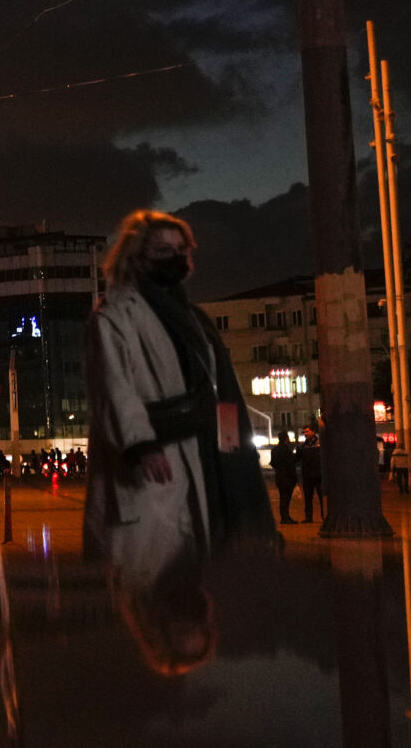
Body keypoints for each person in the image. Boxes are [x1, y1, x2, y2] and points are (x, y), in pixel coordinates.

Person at [84, 210, 276, 672]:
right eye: (161, 251)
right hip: (153, 464)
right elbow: (114, 388)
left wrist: (234, 461)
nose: (174, 259)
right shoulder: (116, 315)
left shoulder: (193, 317)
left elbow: (220, 395)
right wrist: (141, 443)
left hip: (203, 462)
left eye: (180, 250)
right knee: (155, 561)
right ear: (138, 257)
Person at [269, 433, 298, 523]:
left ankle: (284, 517)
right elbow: (291, 465)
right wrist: (294, 478)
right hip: (287, 477)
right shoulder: (286, 450)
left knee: (282, 497)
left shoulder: (274, 450)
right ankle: (285, 518)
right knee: (286, 498)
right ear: (286, 439)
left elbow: (273, 463)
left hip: (279, 476)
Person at [298, 427, 325, 524]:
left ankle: (324, 515)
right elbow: (297, 459)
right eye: (304, 432)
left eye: (307, 431)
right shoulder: (303, 446)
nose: (305, 433)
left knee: (322, 496)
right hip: (308, 476)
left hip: (319, 475)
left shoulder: (320, 443)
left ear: (313, 432)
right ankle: (308, 517)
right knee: (308, 497)